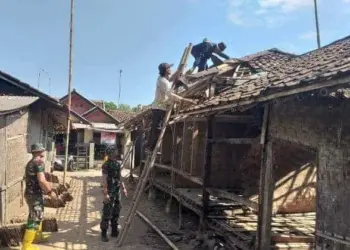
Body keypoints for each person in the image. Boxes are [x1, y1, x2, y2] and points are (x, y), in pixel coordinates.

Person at [146, 63, 196, 153]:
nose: (170, 69)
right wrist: (185, 100)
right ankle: (150, 148)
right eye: (169, 68)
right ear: (165, 70)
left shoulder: (164, 79)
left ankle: (151, 147)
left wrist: (179, 70)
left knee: (157, 128)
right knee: (157, 128)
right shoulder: (163, 81)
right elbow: (170, 95)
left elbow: (171, 78)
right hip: (159, 107)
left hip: (162, 107)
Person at [22, 143, 57, 250]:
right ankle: (26, 246)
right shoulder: (39, 162)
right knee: (35, 218)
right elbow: (42, 180)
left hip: (30, 194)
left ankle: (37, 236)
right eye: (42, 149)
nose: (44, 151)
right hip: (35, 195)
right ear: (38, 151)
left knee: (36, 215)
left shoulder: (30, 162)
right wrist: (50, 192)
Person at [100, 145, 122, 242]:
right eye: (115, 150)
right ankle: (103, 233)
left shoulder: (117, 164)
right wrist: (105, 192)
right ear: (111, 152)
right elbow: (104, 178)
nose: (117, 151)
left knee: (116, 210)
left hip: (117, 190)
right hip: (109, 190)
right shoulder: (106, 164)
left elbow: (119, 177)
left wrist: (123, 187)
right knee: (107, 211)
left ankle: (114, 230)